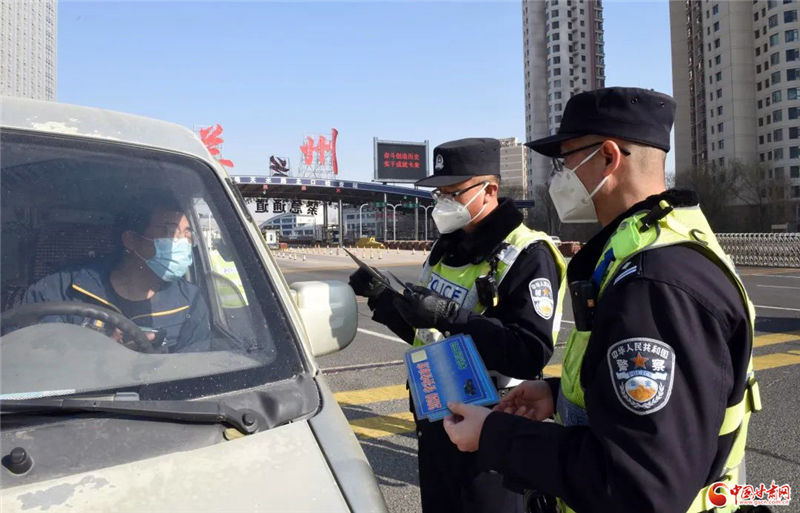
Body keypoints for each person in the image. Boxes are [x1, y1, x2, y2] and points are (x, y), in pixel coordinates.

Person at [442, 88, 761, 513]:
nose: (559, 177)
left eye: (566, 161)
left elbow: (640, 486)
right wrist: (557, 395)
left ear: (608, 157)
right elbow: (665, 407)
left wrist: (494, 436)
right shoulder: (662, 240)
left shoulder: (654, 283)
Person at [349, 138, 567, 513]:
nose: (443, 203)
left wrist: (451, 316)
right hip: (435, 415)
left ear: (490, 190)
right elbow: (427, 336)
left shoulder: (528, 254)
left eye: (453, 193)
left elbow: (527, 353)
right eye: (440, 194)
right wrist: (384, 300)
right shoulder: (445, 249)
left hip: (492, 424)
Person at [22, 199, 211, 353]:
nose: (183, 243)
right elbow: (29, 361)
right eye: (170, 232)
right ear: (131, 240)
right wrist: (100, 351)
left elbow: (195, 369)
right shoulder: (60, 291)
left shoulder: (189, 301)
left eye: (188, 234)